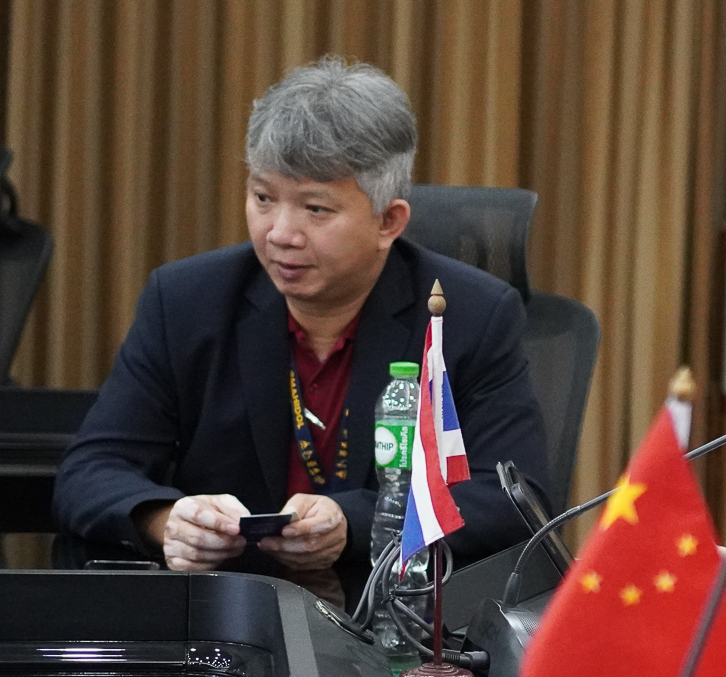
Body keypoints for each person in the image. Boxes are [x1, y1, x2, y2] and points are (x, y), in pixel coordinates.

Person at [54, 56, 546, 598]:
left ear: (388, 221)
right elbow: (91, 471)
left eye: (315, 209)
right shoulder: (187, 301)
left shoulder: (467, 315)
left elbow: (514, 498)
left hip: (390, 613)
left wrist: (353, 522)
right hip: (225, 612)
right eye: (263, 198)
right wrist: (166, 520)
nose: (280, 234)